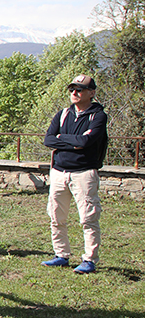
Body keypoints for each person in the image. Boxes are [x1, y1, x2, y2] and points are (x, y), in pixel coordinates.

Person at [42, 74, 108, 275]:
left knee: (88, 218)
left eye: (79, 90)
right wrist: (74, 141)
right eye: (72, 89)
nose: (74, 93)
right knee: (56, 216)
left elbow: (86, 142)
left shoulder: (98, 116)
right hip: (59, 172)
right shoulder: (63, 114)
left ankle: (89, 259)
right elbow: (48, 139)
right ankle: (61, 255)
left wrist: (64, 138)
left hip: (84, 173)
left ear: (91, 93)